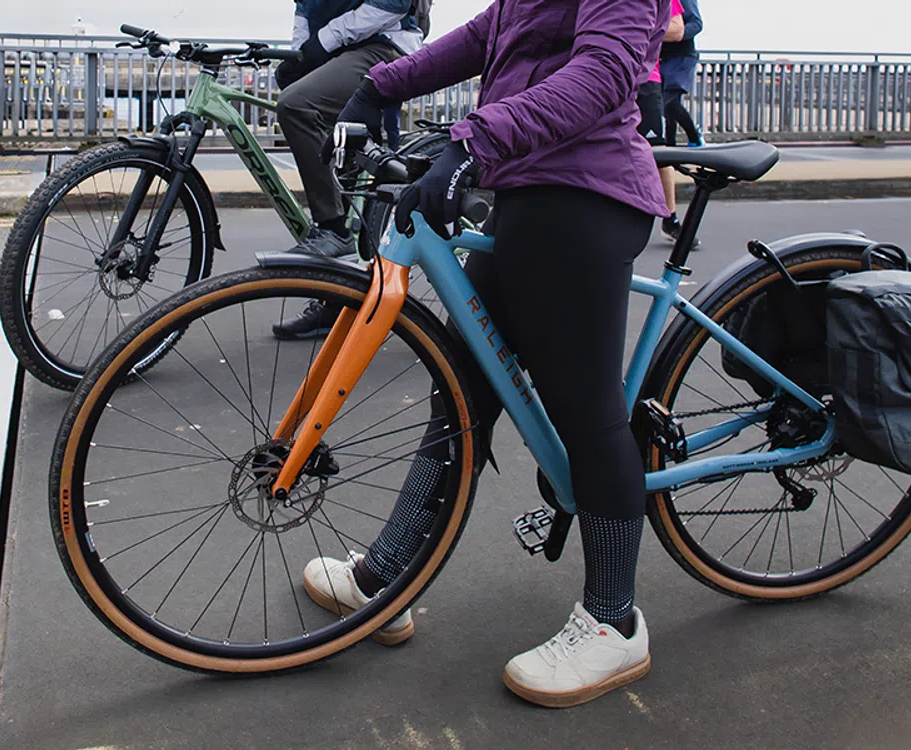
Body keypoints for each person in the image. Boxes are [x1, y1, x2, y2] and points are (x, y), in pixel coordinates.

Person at [303, 0, 671, 708]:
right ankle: (388, 575)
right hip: (525, 185)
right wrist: (377, 87)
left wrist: (474, 139)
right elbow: (482, 37)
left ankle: (614, 620)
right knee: (463, 388)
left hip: (583, 191)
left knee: (584, 409)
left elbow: (603, 71)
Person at [272, 1, 423, 340]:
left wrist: (322, 42)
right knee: (338, 153)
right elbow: (305, 10)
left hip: (384, 44)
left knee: (297, 105)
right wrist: (300, 55)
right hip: (343, 50)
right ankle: (335, 303)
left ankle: (332, 229)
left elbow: (393, 4)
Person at [639, 0, 700, 248]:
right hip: (603, 74)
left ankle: (670, 218)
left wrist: (630, 28)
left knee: (658, 152)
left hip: (645, 78)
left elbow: (677, 29)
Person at [660, 0, 704, 149]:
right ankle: (670, 147)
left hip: (682, 57)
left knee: (670, 103)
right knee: (665, 106)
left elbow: (697, 24)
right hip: (661, 59)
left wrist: (677, 34)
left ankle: (689, 139)